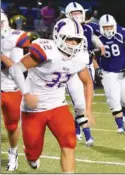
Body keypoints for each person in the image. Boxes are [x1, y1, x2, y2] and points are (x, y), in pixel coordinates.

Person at [8, 18, 95, 172]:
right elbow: (15, 69)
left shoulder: (80, 57)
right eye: (70, 39)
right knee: (33, 154)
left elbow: (87, 82)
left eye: (77, 40)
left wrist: (88, 109)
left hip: (57, 106)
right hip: (34, 109)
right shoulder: (46, 50)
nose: (73, 44)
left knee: (69, 142)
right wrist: (26, 93)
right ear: (59, 37)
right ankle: (31, 156)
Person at [64, 1, 105, 146]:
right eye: (74, 13)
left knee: (84, 101)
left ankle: (76, 129)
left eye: (79, 13)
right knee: (79, 102)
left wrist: (97, 54)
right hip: (72, 68)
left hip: (87, 67)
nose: (77, 16)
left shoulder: (88, 29)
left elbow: (100, 45)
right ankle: (88, 135)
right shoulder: (64, 30)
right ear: (68, 15)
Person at [95, 14, 125, 133]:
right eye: (106, 27)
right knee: (113, 99)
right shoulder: (96, 37)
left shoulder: (122, 33)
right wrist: (97, 68)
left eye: (110, 27)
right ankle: (120, 125)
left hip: (123, 70)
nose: (108, 29)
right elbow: (92, 56)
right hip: (107, 71)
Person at [0, 10, 31, 171]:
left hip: (11, 88)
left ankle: (13, 153)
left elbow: (17, 68)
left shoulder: (15, 37)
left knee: (12, 126)